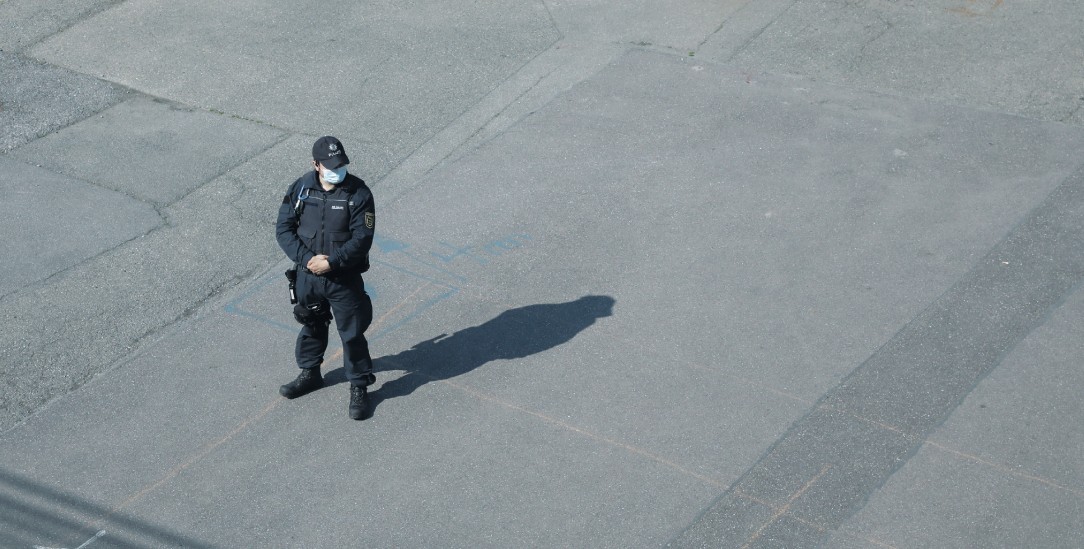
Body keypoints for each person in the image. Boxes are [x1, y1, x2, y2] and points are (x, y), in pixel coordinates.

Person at [275, 136, 376, 420]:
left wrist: (332, 263)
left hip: (343, 278)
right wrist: (307, 260)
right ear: (315, 165)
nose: (337, 169)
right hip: (308, 275)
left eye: (341, 163)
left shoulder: (359, 193)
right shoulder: (301, 189)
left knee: (352, 334)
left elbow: (362, 239)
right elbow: (284, 229)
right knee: (311, 323)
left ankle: (359, 385)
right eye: (330, 165)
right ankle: (310, 373)